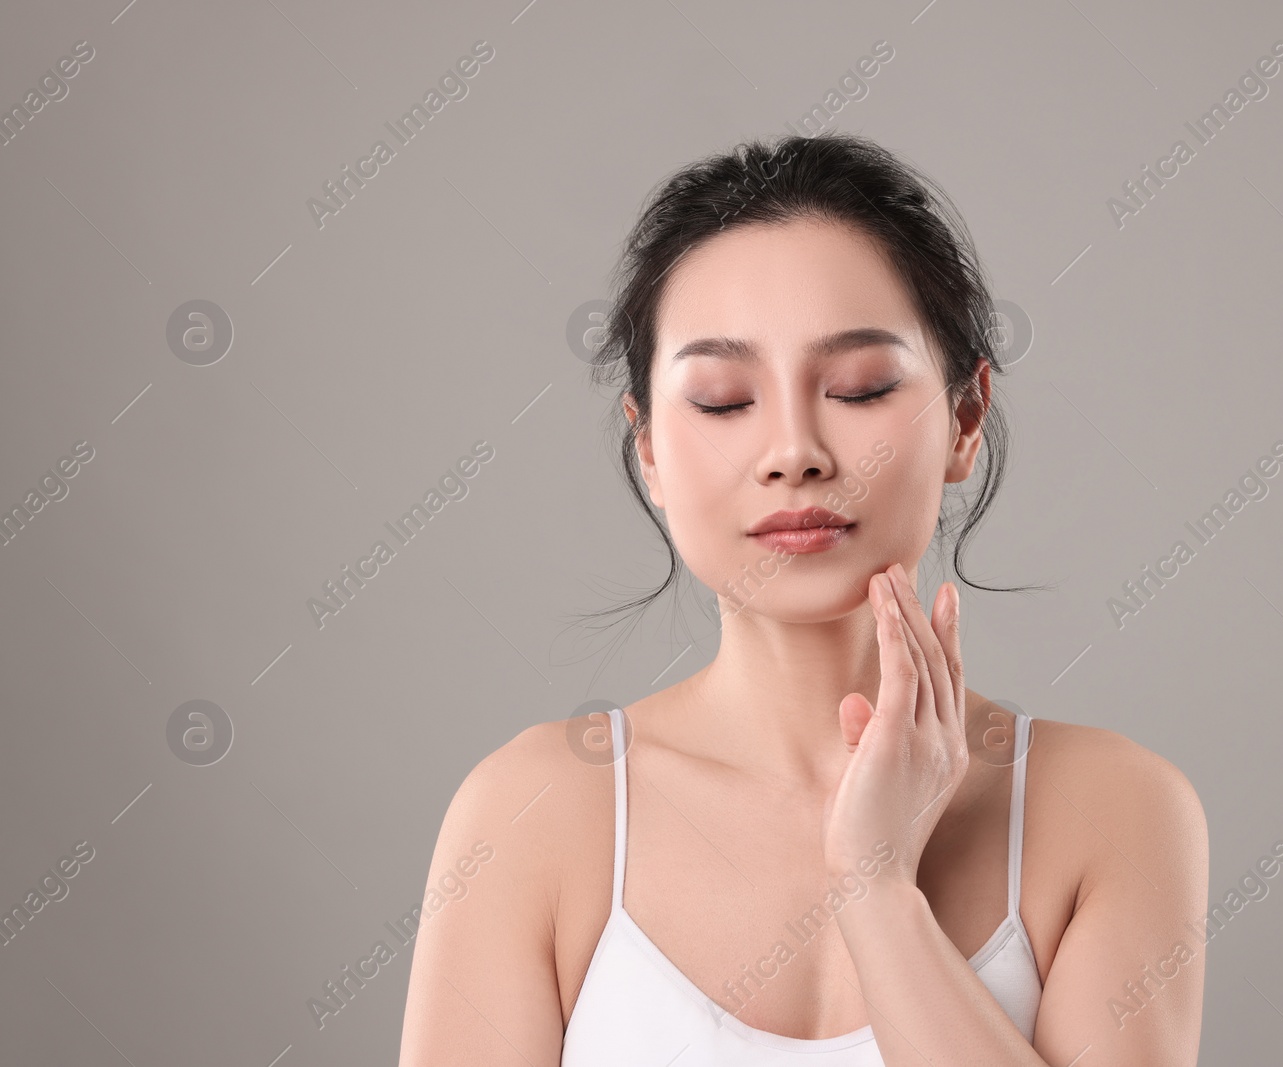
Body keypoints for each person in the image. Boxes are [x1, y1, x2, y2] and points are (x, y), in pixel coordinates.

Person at [398, 131, 1208, 1066]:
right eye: (722, 400)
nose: (794, 450)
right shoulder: (533, 813)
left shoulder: (1115, 807)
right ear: (650, 449)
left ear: (965, 419)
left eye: (859, 387)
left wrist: (877, 890)